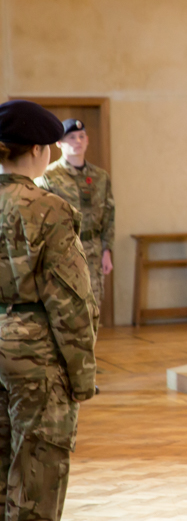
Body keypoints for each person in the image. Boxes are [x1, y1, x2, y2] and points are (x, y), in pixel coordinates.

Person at [0, 100, 98, 520]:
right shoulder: (49, 209)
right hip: (34, 356)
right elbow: (69, 302)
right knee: (35, 483)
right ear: (39, 150)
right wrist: (82, 376)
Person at [36, 119, 115, 323]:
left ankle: (91, 353)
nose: (77, 141)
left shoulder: (100, 176)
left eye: (81, 137)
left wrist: (108, 250)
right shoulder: (48, 176)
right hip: (64, 252)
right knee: (67, 312)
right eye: (71, 137)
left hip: (95, 251)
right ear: (59, 143)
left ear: (87, 140)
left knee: (93, 309)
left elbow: (109, 214)